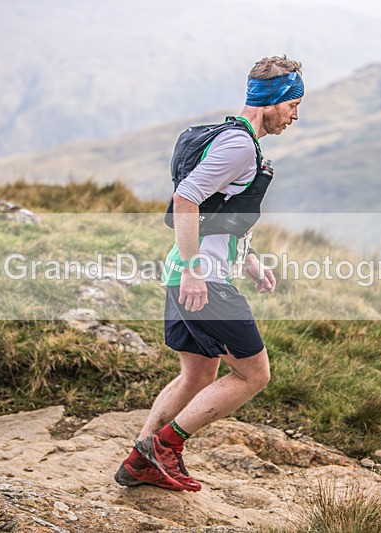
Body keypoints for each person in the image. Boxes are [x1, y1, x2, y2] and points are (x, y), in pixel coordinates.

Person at [115, 55, 304, 491]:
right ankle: (164, 447)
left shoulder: (235, 140)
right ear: (273, 101)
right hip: (202, 279)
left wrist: (250, 260)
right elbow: (186, 199)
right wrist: (196, 268)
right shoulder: (238, 146)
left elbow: (221, 214)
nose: (296, 115)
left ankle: (139, 460)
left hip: (184, 273)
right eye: (293, 103)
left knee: (198, 376)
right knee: (253, 375)